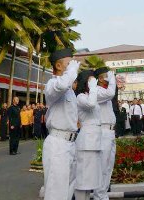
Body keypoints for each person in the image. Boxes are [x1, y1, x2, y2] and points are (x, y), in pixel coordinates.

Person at [42, 48, 80, 200]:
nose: (73, 66)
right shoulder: (52, 84)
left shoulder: (70, 90)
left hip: (70, 143)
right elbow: (61, 86)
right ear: (58, 66)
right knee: (56, 193)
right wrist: (72, 72)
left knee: (67, 191)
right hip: (58, 144)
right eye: (69, 63)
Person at [75, 70, 102, 200]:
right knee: (82, 180)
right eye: (91, 80)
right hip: (87, 142)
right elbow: (91, 104)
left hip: (94, 141)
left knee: (90, 180)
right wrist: (93, 88)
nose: (94, 82)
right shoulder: (81, 97)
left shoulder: (90, 95)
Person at [93, 67, 116, 200]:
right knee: (102, 167)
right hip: (102, 132)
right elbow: (110, 93)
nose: (109, 78)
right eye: (107, 76)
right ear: (101, 79)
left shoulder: (106, 91)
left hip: (110, 132)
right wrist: (112, 80)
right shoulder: (96, 91)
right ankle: (99, 196)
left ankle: (103, 195)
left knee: (108, 167)